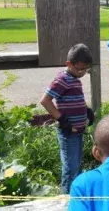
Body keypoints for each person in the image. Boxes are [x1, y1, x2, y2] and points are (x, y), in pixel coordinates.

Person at [40, 43, 95, 195]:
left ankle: (74, 196)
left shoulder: (74, 77)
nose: (83, 72)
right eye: (79, 68)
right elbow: (45, 100)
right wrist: (62, 119)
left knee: (76, 165)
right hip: (68, 132)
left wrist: (86, 110)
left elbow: (75, 99)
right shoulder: (62, 79)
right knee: (70, 168)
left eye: (85, 69)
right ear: (68, 64)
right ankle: (66, 198)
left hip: (77, 132)